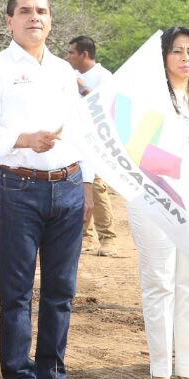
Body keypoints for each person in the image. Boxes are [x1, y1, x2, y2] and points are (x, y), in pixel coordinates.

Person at [0, 0, 94, 379]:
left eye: (41, 10)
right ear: (9, 20)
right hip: (20, 188)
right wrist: (25, 140)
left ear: (51, 19)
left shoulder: (63, 71)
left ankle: (52, 378)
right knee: (17, 290)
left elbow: (82, 131)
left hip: (68, 185)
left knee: (61, 289)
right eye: (24, 11)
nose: (34, 17)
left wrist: (87, 185)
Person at [129, 27, 189, 379]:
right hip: (155, 199)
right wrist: (180, 151)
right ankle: (160, 372)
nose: (185, 58)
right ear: (163, 56)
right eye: (177, 51)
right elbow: (135, 148)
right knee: (160, 284)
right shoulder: (148, 99)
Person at [67, 35, 120, 257]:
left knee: (96, 188)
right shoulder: (70, 75)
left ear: (84, 54)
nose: (68, 57)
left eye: (71, 52)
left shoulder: (104, 77)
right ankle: (85, 237)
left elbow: (107, 108)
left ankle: (108, 238)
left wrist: (83, 88)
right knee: (78, 187)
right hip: (74, 141)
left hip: (97, 142)